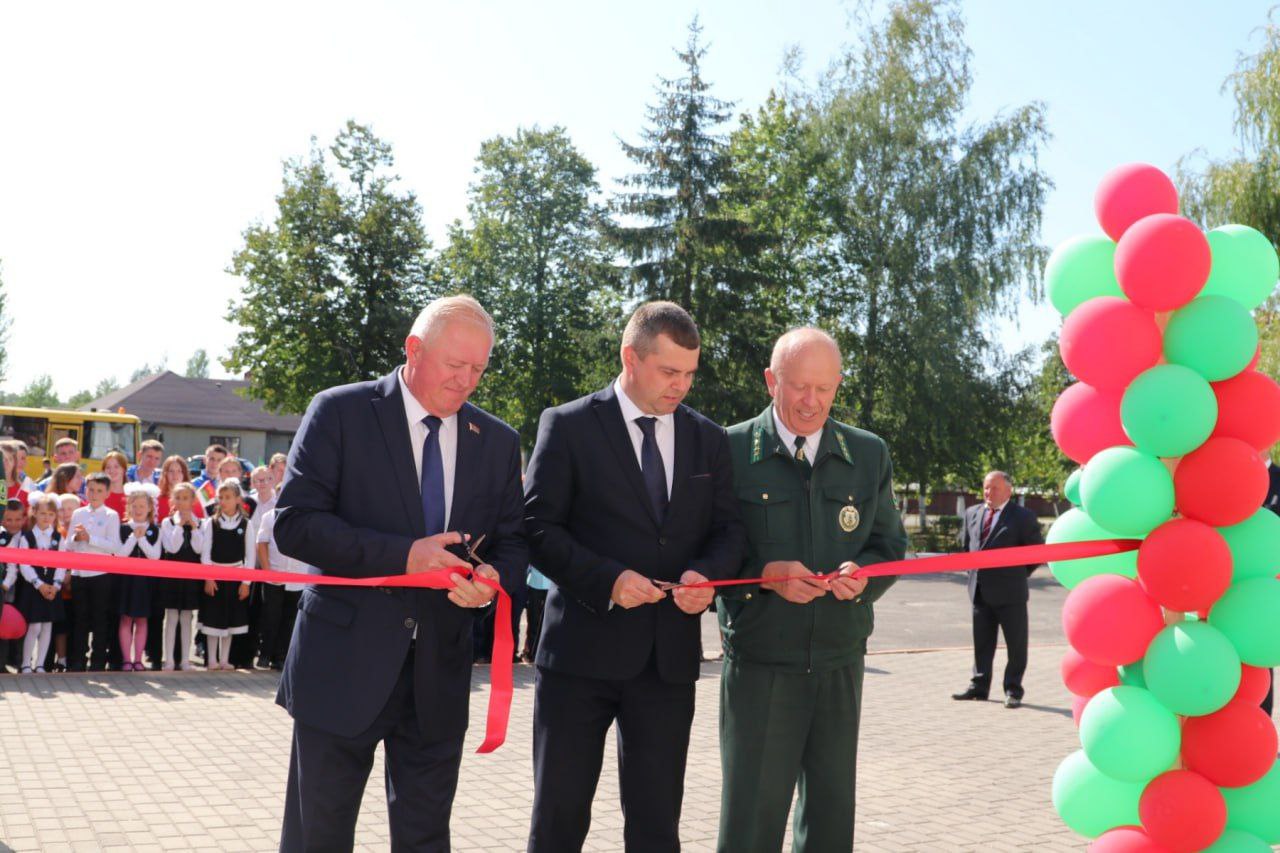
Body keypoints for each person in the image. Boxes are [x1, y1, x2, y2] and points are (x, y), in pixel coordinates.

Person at [274, 294, 527, 852]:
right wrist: (403, 555)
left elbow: (513, 543)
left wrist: (489, 584)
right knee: (318, 835)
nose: (466, 381)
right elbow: (294, 525)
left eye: (479, 369)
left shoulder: (499, 441)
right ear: (414, 349)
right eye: (455, 365)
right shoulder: (340, 412)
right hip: (341, 666)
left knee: (425, 838)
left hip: (439, 671)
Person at [524, 301, 744, 853]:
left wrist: (706, 577)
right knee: (559, 819)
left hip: (666, 664)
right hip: (578, 659)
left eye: (690, 373)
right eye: (670, 372)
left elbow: (730, 533)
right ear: (630, 357)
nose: (681, 386)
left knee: (656, 826)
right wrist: (608, 580)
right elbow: (536, 527)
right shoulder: (568, 425)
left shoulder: (708, 439)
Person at [715, 327, 907, 853]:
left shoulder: (867, 454)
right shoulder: (727, 449)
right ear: (771, 381)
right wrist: (763, 575)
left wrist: (864, 578)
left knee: (829, 821)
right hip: (761, 665)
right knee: (751, 821)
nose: (811, 401)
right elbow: (709, 550)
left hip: (840, 661)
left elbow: (890, 545)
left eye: (825, 389)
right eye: (799, 387)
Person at [952, 471, 1045, 708]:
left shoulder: (1022, 517)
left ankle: (1013, 689)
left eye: (994, 488)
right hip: (980, 592)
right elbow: (967, 548)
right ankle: (979, 686)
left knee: (1016, 645)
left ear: (1008, 491)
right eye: (985, 488)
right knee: (982, 643)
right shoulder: (972, 513)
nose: (988, 493)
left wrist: (1015, 576)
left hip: (1010, 593)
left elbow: (1035, 555)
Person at [61, 473, 120, 671]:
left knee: (100, 619)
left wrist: (90, 537)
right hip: (79, 575)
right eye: (91, 489)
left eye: (99, 491)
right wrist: (77, 538)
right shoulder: (78, 513)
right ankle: (77, 661)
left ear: (107, 493)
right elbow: (68, 543)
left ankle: (97, 661)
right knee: (79, 619)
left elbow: (114, 547)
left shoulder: (111, 515)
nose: (94, 494)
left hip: (100, 575)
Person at [198, 479, 255, 671]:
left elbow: (250, 555)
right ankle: (212, 659)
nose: (223, 501)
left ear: (238, 499)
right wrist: (208, 577)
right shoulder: (211, 523)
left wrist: (246, 582)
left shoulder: (246, 525)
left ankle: (225, 659)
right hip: (215, 578)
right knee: (213, 619)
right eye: (220, 497)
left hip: (235, 578)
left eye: (228, 497)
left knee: (230, 619)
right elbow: (205, 552)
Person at [255, 502, 311, 670]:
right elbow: (262, 543)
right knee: (271, 616)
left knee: (290, 618)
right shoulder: (269, 516)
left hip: (297, 576)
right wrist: (267, 570)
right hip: (274, 575)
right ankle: (265, 654)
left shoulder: (304, 518)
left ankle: (281, 656)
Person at [114, 484, 161, 671]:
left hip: (146, 583)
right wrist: (134, 537)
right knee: (126, 619)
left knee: (142, 620)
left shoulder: (155, 530)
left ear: (149, 508)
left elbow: (155, 555)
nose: (138, 510)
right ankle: (126, 659)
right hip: (126, 581)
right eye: (135, 506)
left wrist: (141, 538)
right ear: (129, 508)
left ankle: (138, 659)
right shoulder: (123, 529)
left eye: (142, 506)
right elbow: (120, 554)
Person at [159, 482, 204, 671]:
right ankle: (169, 659)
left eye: (186, 498)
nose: (182, 502)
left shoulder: (201, 522)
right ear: (172, 500)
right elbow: (172, 547)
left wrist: (193, 528)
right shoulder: (167, 522)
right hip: (172, 577)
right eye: (178, 498)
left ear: (193, 501)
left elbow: (199, 548)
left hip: (191, 577)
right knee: (171, 618)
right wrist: (179, 526)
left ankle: (185, 660)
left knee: (187, 618)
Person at [18, 493, 65, 673]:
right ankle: (25, 664)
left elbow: (62, 563)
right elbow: (24, 564)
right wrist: (39, 584)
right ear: (35, 513)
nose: (47, 518)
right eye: (43, 513)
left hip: (52, 588)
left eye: (51, 514)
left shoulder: (58, 538)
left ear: (55, 516)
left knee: (47, 626)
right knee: (35, 625)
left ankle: (40, 664)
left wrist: (56, 585)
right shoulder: (27, 537)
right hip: (34, 588)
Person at [0, 499, 23, 672]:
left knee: (11, 625)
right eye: (9, 519)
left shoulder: (24, 535)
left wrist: (4, 586)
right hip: (6, 589)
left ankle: (15, 660)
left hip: (15, 588)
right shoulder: (4, 536)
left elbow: (12, 567)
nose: (13, 524)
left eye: (17, 519)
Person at [157, 455, 204, 521]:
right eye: (171, 471)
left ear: (184, 474)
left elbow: (200, 525)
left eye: (179, 471)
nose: (175, 475)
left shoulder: (194, 500)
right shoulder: (157, 500)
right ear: (165, 474)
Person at [520, 565, 551, 663]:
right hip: (534, 584)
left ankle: (545, 654)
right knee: (533, 620)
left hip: (551, 586)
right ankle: (532, 653)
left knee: (548, 623)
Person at [101, 450, 130, 521]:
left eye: (116, 467)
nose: (112, 470)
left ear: (124, 470)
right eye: (108, 467)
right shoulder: (98, 495)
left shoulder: (132, 496)